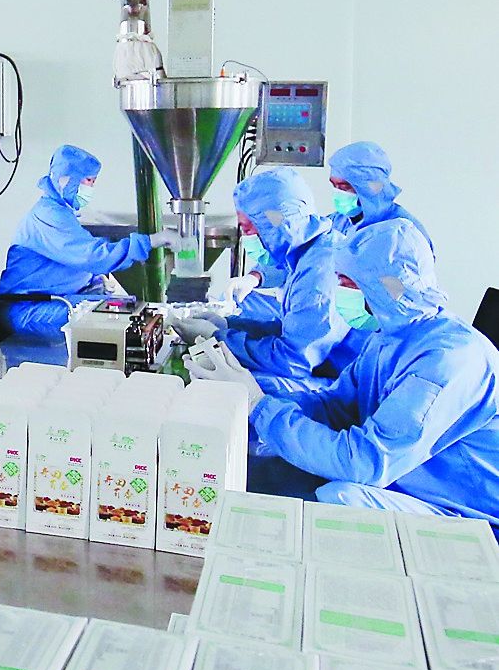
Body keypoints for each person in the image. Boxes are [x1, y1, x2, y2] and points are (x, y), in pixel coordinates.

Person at [191, 219, 499, 524]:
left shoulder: (447, 362)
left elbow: (364, 463)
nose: (339, 292)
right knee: (264, 465)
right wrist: (247, 396)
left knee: (339, 498)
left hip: (461, 511)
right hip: (399, 477)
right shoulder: (391, 337)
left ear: (388, 287)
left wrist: (260, 407)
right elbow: (335, 407)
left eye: (347, 284)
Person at [172, 168, 349, 383]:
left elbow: (292, 360)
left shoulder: (319, 275)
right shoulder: (311, 252)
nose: (247, 237)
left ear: (278, 224)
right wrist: (229, 325)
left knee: (237, 383)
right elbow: (289, 331)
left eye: (248, 228)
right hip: (320, 364)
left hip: (333, 379)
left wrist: (218, 339)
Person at [0, 145, 173, 337]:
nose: (90, 188)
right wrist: (150, 241)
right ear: (67, 180)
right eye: (88, 181)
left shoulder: (61, 211)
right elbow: (92, 257)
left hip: (55, 300)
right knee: (111, 319)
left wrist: (96, 282)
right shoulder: (49, 216)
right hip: (29, 311)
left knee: (122, 309)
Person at [329, 141, 430, 246]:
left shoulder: (404, 232)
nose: (338, 193)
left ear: (369, 188)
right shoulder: (336, 222)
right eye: (334, 186)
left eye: (345, 187)